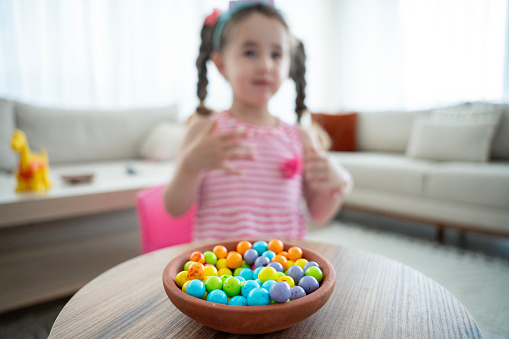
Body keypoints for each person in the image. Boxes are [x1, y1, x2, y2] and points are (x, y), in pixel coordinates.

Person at [164, 1, 352, 241]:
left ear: (289, 64)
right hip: (220, 273)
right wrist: (190, 165)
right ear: (221, 64)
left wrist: (337, 184)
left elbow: (318, 214)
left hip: (284, 272)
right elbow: (174, 207)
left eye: (276, 54)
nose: (265, 65)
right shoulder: (203, 130)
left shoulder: (301, 137)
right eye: (250, 52)